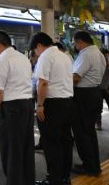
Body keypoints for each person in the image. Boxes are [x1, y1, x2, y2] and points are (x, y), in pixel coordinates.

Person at [0, 30, 35, 185]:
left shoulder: (2, 60)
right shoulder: (22, 57)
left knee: (11, 149)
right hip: (27, 105)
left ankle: (14, 181)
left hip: (11, 108)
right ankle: (27, 180)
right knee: (26, 146)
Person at [30, 32, 74, 185]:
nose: (36, 53)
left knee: (51, 143)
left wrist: (40, 105)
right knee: (65, 141)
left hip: (52, 104)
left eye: (35, 50)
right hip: (67, 102)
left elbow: (43, 83)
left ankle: (53, 179)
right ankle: (64, 176)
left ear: (39, 45)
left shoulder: (45, 56)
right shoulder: (65, 56)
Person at [71, 31, 106, 176]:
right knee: (89, 132)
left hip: (83, 97)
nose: (75, 46)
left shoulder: (85, 54)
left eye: (75, 43)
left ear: (80, 42)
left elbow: (76, 77)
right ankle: (94, 165)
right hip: (95, 93)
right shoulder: (98, 53)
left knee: (81, 133)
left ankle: (89, 167)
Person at [95, 48, 109, 130]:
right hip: (99, 89)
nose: (106, 57)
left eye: (107, 56)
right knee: (98, 108)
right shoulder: (96, 65)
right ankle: (98, 124)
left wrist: (107, 63)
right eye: (104, 56)